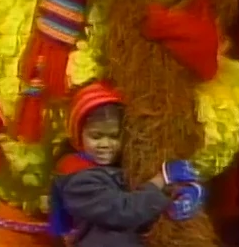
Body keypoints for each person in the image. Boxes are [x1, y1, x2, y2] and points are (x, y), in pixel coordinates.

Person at [49, 81, 206, 246]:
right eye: (96, 136)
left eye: (114, 136)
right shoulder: (78, 180)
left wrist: (180, 194)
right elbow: (123, 211)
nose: (105, 144)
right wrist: (160, 180)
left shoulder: (116, 167)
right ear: (78, 136)